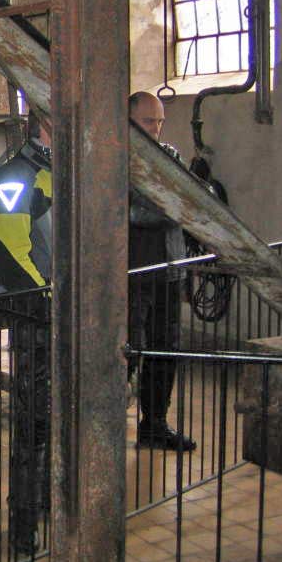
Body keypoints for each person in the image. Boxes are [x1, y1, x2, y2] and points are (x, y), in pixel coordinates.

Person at [0, 110, 52, 555]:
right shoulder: (14, 176)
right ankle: (24, 519)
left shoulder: (67, 168)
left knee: (62, 412)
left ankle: (50, 498)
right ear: (44, 123)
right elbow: (11, 251)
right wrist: (47, 298)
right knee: (33, 419)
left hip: (68, 309)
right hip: (36, 311)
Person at [128, 91, 196, 451]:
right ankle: (101, 427)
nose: (155, 128)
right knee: (125, 350)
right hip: (132, 273)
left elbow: (195, 197)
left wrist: (177, 205)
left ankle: (154, 424)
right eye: (147, 121)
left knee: (164, 350)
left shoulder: (170, 157)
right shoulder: (116, 158)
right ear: (128, 121)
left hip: (169, 270)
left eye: (159, 121)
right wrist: (175, 207)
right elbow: (130, 212)